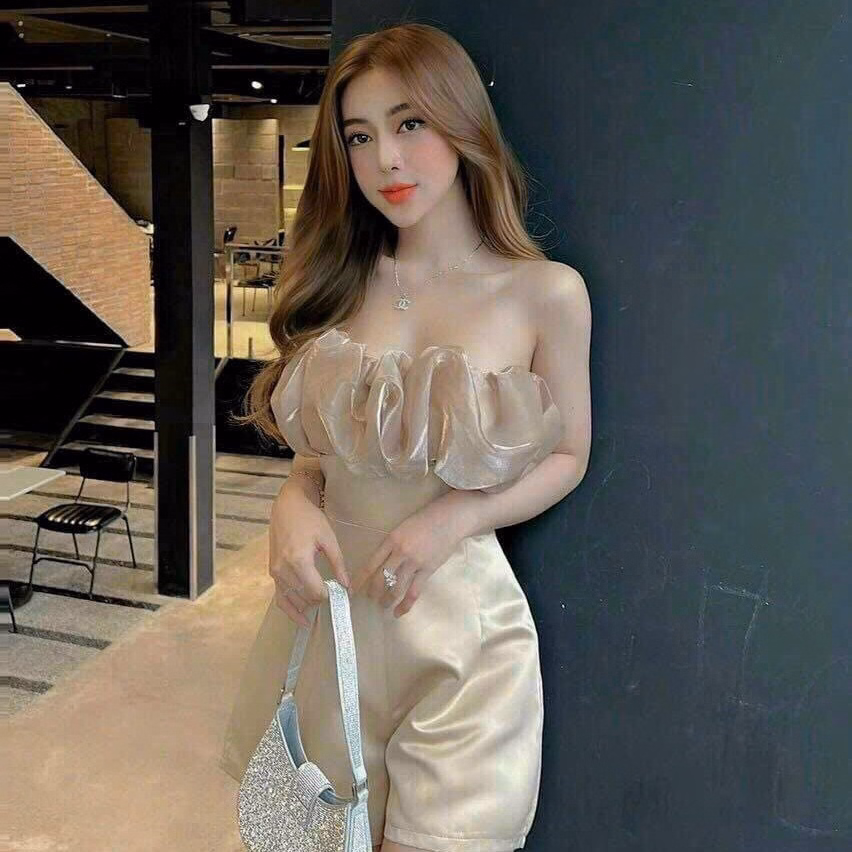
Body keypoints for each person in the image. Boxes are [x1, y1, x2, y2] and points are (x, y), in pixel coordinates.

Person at [221, 21, 592, 852]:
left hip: (460, 642)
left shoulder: (544, 294)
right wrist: (291, 501)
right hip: (329, 631)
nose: (386, 159)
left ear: (461, 123)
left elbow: (570, 454)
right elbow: (318, 459)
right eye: (360, 136)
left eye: (410, 123)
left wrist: (455, 516)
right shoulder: (338, 283)